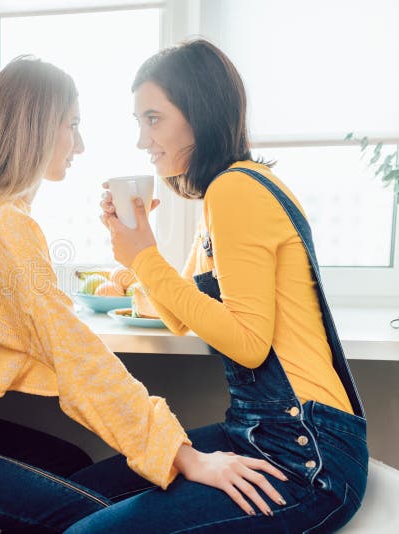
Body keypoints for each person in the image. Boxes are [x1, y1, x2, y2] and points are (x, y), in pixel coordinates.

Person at [0, 56, 284, 533]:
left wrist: (140, 249)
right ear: (36, 127)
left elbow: (49, 335)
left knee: (73, 462)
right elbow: (79, 359)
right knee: (88, 517)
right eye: (72, 126)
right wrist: (183, 456)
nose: (79, 144)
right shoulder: (6, 225)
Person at [65, 39, 368, 533]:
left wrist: (143, 256)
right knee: (79, 494)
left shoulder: (236, 190)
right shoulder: (221, 196)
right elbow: (179, 315)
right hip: (266, 432)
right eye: (138, 122)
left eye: (153, 119)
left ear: (198, 114)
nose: (143, 140)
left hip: (305, 454)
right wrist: (140, 246)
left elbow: (248, 344)